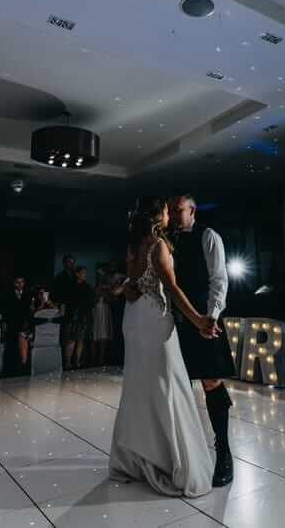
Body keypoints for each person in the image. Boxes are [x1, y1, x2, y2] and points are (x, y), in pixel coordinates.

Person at [109, 197, 216, 498]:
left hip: (133, 320)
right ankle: (170, 461)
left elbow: (130, 285)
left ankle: (138, 457)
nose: (170, 215)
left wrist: (127, 289)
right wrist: (198, 319)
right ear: (158, 216)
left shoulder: (132, 246)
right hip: (154, 320)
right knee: (168, 385)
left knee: (139, 385)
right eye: (167, 211)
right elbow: (172, 288)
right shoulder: (158, 246)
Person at [168, 194, 236, 487]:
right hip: (174, 323)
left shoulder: (208, 236)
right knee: (176, 385)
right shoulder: (167, 239)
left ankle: (223, 451)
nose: (172, 213)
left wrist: (211, 317)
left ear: (192, 210)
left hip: (203, 320)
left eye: (177, 209)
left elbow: (218, 279)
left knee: (211, 382)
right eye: (170, 209)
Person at [63, 266, 94, 369]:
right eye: (83, 272)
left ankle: (77, 362)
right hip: (72, 316)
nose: (85, 274)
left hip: (83, 316)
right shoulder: (70, 286)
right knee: (71, 340)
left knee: (80, 340)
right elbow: (66, 302)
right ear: (77, 274)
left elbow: (90, 303)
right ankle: (68, 362)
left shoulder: (87, 287)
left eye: (85, 273)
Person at [1, 276, 32, 376]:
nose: (20, 284)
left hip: (23, 323)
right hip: (11, 323)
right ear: (14, 283)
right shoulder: (8, 294)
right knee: (11, 346)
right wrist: (5, 322)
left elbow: (29, 310)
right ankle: (10, 370)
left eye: (22, 282)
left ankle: (23, 368)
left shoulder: (28, 294)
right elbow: (5, 309)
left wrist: (27, 322)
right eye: (17, 282)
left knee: (23, 346)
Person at [91, 267, 119, 366]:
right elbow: (94, 299)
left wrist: (108, 293)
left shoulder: (107, 287)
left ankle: (101, 360)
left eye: (103, 276)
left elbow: (111, 299)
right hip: (98, 311)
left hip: (105, 311)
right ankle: (94, 360)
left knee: (104, 335)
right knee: (96, 335)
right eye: (100, 276)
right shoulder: (96, 287)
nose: (101, 277)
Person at [53, 254, 77, 354]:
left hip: (74, 308)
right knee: (64, 332)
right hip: (64, 307)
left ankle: (69, 357)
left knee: (73, 334)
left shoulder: (75, 276)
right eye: (69, 262)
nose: (71, 264)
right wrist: (60, 306)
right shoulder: (60, 276)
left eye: (72, 262)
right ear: (64, 263)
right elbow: (57, 293)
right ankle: (62, 356)